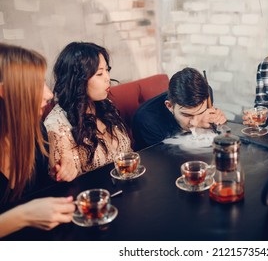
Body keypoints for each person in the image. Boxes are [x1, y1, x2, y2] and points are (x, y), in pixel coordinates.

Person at [0, 43, 75, 238]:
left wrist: (62, 171)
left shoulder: (34, 130)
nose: (49, 94)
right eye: (36, 83)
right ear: (4, 92)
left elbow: (43, 191)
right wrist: (23, 216)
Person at [44, 42, 131, 182]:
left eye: (107, 70)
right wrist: (65, 170)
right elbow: (64, 179)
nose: (108, 78)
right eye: (99, 73)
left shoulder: (105, 105)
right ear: (78, 80)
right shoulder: (57, 125)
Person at [132, 67, 227, 150]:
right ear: (170, 106)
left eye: (200, 112)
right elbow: (165, 160)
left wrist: (214, 120)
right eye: (187, 115)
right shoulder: (146, 121)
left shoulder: (206, 94)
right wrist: (200, 123)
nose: (193, 123)